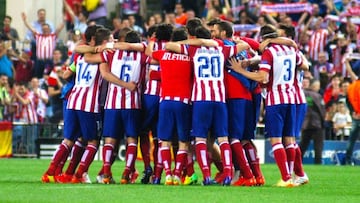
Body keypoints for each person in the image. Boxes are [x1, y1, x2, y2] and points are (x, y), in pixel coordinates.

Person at [165, 23, 250, 186]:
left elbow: (169, 45)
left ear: (195, 38)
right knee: (223, 138)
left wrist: (191, 42)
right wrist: (214, 42)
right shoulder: (222, 49)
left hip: (201, 100)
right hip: (219, 100)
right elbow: (244, 45)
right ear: (210, 37)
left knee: (200, 139)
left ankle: (206, 176)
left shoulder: (192, 50)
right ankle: (227, 173)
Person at [229, 24, 307, 187]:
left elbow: (263, 77)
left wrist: (241, 70)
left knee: (276, 140)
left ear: (264, 39)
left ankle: (286, 178)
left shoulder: (269, 53)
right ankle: (291, 175)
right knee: (289, 139)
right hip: (291, 98)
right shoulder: (291, 51)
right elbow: (303, 65)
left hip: (275, 100)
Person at [41, 25, 105, 183]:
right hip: (89, 103)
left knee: (71, 139)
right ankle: (77, 174)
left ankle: (52, 171)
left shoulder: (80, 57)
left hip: (72, 99)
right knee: (91, 141)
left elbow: (66, 73)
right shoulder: (102, 57)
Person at [85, 30, 148, 184]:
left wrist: (102, 47)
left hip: (112, 103)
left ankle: (106, 172)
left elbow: (89, 59)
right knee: (132, 138)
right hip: (132, 103)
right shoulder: (143, 55)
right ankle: (127, 172)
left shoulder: (111, 53)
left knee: (110, 139)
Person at [211, 20, 259, 187]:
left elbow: (204, 41)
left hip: (234, 96)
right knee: (245, 138)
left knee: (233, 138)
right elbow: (255, 47)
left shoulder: (221, 45)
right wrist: (242, 41)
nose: (212, 34)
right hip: (248, 95)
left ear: (223, 33)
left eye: (214, 30)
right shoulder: (242, 49)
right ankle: (256, 175)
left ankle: (246, 175)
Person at [21, 12, 65, 78]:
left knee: (50, 76)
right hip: (39, 60)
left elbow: (59, 29)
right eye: (44, 29)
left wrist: (64, 20)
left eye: (46, 29)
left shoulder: (53, 36)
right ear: (42, 30)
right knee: (38, 76)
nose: (45, 30)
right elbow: (31, 28)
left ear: (49, 29)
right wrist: (25, 20)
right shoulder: (38, 36)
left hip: (49, 60)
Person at [300, 79, 326, 164]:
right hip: (317, 124)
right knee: (318, 146)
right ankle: (318, 163)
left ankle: (296, 162)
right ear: (314, 86)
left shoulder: (302, 93)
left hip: (306, 123)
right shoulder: (317, 96)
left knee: (302, 145)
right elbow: (322, 110)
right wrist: (323, 122)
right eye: (317, 86)